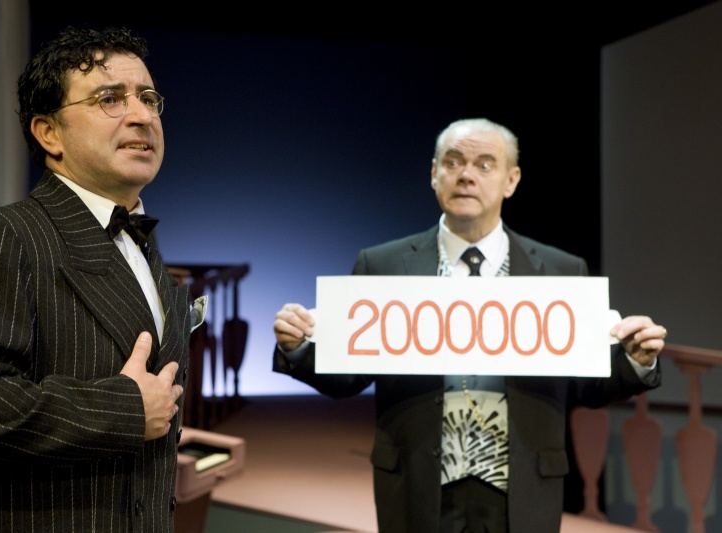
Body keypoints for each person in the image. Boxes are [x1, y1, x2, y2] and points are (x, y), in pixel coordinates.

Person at [273, 118, 665, 533]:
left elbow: (588, 385)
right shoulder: (382, 265)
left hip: (522, 488)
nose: (465, 175)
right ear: (434, 173)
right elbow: (348, 374)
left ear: (511, 180)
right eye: (453, 162)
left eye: (484, 165)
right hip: (417, 485)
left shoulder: (561, 271)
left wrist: (635, 362)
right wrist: (297, 347)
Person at [0, 27, 201, 532]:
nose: (141, 115)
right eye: (110, 98)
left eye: (148, 98)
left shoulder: (141, 240)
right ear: (49, 133)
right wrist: (123, 410)